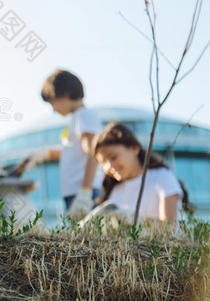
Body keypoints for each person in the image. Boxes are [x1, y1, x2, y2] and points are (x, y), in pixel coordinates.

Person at [24, 69, 103, 219]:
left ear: (65, 94)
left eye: (52, 103)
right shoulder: (78, 118)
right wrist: (46, 154)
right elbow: (74, 152)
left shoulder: (84, 116)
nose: (53, 109)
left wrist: (85, 193)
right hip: (77, 191)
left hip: (83, 190)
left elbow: (93, 152)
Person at [93, 122, 188, 223]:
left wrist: (136, 219)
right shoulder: (115, 190)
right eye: (103, 162)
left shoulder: (162, 177)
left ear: (134, 148)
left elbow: (170, 226)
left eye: (113, 157)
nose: (109, 166)